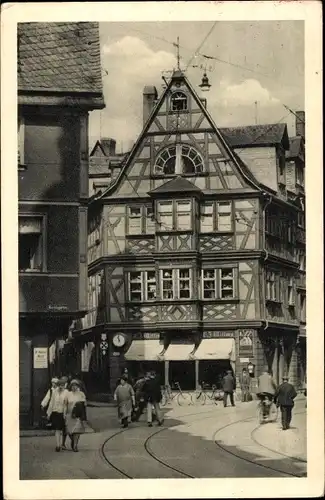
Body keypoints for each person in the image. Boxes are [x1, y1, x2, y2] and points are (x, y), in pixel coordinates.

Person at [45, 377, 69, 451]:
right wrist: (49, 413)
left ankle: (64, 444)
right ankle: (58, 445)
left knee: (64, 429)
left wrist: (65, 414)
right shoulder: (54, 392)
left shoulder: (66, 392)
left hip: (63, 413)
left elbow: (67, 404)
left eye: (62, 385)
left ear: (64, 385)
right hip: (56, 412)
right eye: (59, 385)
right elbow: (51, 402)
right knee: (57, 429)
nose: (61, 387)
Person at [65, 379, 87, 451]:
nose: (74, 387)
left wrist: (83, 415)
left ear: (78, 386)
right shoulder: (68, 394)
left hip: (77, 415)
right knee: (69, 431)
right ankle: (73, 440)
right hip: (69, 415)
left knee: (77, 431)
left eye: (75, 386)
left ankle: (75, 446)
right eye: (72, 386)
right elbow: (65, 404)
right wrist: (64, 414)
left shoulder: (81, 394)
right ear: (70, 387)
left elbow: (84, 405)